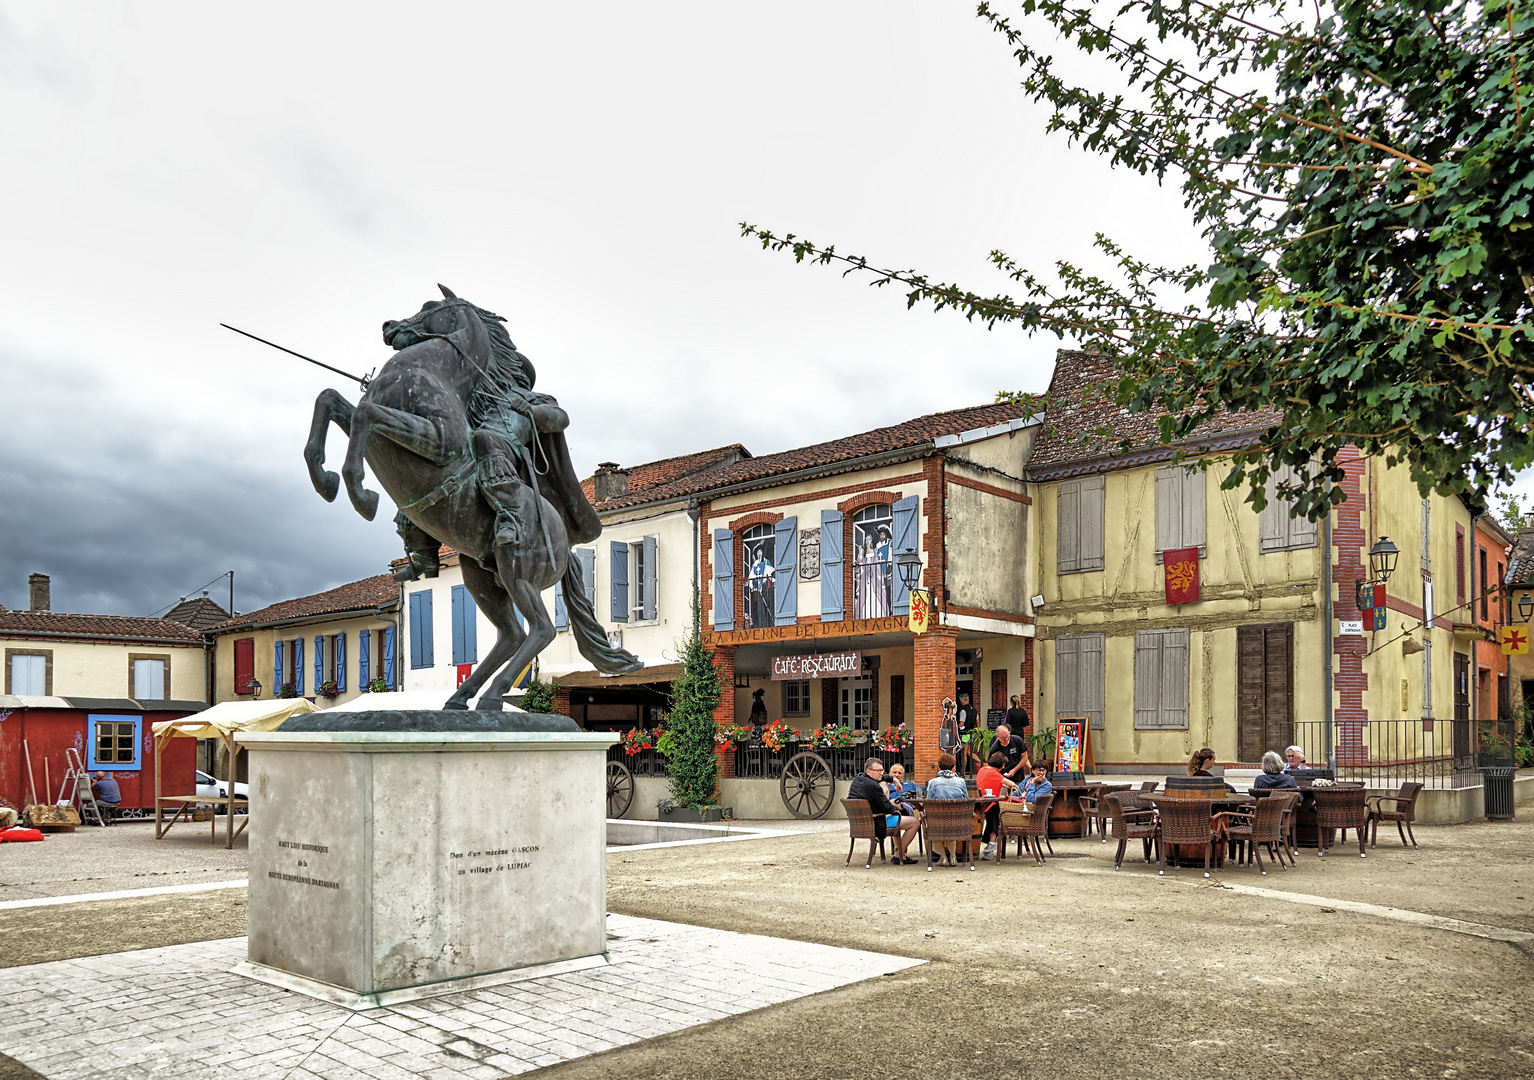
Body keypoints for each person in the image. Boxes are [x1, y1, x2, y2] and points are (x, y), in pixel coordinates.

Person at [847, 758, 921, 864]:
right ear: (869, 771)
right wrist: (898, 810)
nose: (881, 773)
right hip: (876, 823)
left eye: (882, 770)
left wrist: (893, 779)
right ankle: (899, 855)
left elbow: (883, 778)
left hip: (861, 823)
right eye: (878, 771)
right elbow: (887, 808)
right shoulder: (873, 786)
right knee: (915, 822)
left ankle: (899, 852)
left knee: (884, 785)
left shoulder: (858, 778)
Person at [924, 752, 969, 869]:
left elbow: (928, 802)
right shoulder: (961, 781)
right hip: (957, 822)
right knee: (951, 825)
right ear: (954, 767)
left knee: (934, 826)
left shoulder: (933, 782)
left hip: (937, 822)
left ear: (939, 767)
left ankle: (943, 856)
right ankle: (953, 856)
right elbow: (966, 800)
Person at [976, 752, 1018, 861]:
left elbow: (988, 782)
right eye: (1003, 765)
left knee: (991, 821)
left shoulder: (982, 770)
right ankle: (991, 843)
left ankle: (990, 846)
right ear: (998, 764)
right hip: (991, 803)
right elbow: (1012, 784)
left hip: (982, 801)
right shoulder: (995, 773)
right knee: (995, 820)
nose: (1003, 767)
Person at [955, 692, 979, 774]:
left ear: (961, 700)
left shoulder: (963, 711)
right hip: (971, 733)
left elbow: (962, 723)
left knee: (963, 754)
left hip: (965, 734)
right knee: (969, 752)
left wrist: (957, 726)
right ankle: (982, 762)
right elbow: (977, 723)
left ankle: (963, 772)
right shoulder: (974, 710)